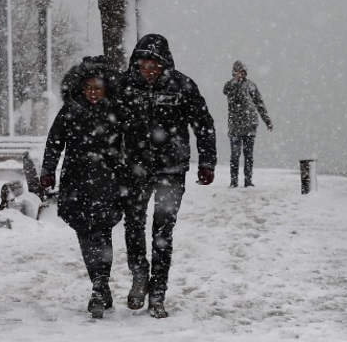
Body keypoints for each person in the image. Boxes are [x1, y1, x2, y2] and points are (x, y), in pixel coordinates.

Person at [115, 33, 216, 318]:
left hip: (171, 169)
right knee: (133, 225)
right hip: (134, 168)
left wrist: (207, 162)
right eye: (145, 65)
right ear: (136, 64)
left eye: (155, 66)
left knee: (163, 232)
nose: (150, 71)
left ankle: (158, 294)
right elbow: (108, 125)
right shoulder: (123, 87)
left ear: (165, 65)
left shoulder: (182, 86)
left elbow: (203, 124)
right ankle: (139, 276)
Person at [40, 56, 125, 319]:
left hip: (107, 183)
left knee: (102, 234)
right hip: (76, 182)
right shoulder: (70, 111)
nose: (92, 92)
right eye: (88, 87)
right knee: (85, 235)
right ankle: (99, 283)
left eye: (98, 87)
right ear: (81, 87)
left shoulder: (116, 112)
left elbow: (131, 146)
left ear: (106, 88)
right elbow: (55, 142)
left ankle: (100, 285)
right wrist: (47, 171)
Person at [222, 60, 273, 188]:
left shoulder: (251, 85)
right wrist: (235, 81)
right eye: (238, 71)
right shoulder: (230, 86)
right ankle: (234, 182)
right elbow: (226, 92)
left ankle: (248, 181)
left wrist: (267, 120)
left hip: (250, 126)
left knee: (248, 156)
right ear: (234, 72)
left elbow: (259, 103)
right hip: (235, 126)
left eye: (242, 71)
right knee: (235, 155)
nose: (240, 73)